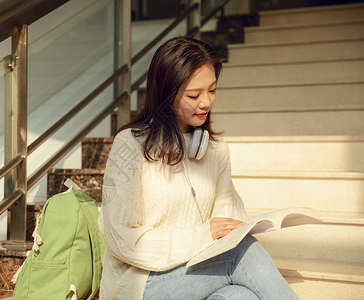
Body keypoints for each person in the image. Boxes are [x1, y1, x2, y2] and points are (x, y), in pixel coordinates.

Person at [98, 36, 299, 300]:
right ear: (166, 93)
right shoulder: (130, 146)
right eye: (194, 95)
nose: (206, 102)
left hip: (195, 273)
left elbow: (225, 222)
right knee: (241, 254)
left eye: (212, 90)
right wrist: (203, 234)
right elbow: (124, 239)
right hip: (137, 284)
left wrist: (231, 226)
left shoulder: (215, 150)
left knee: (240, 296)